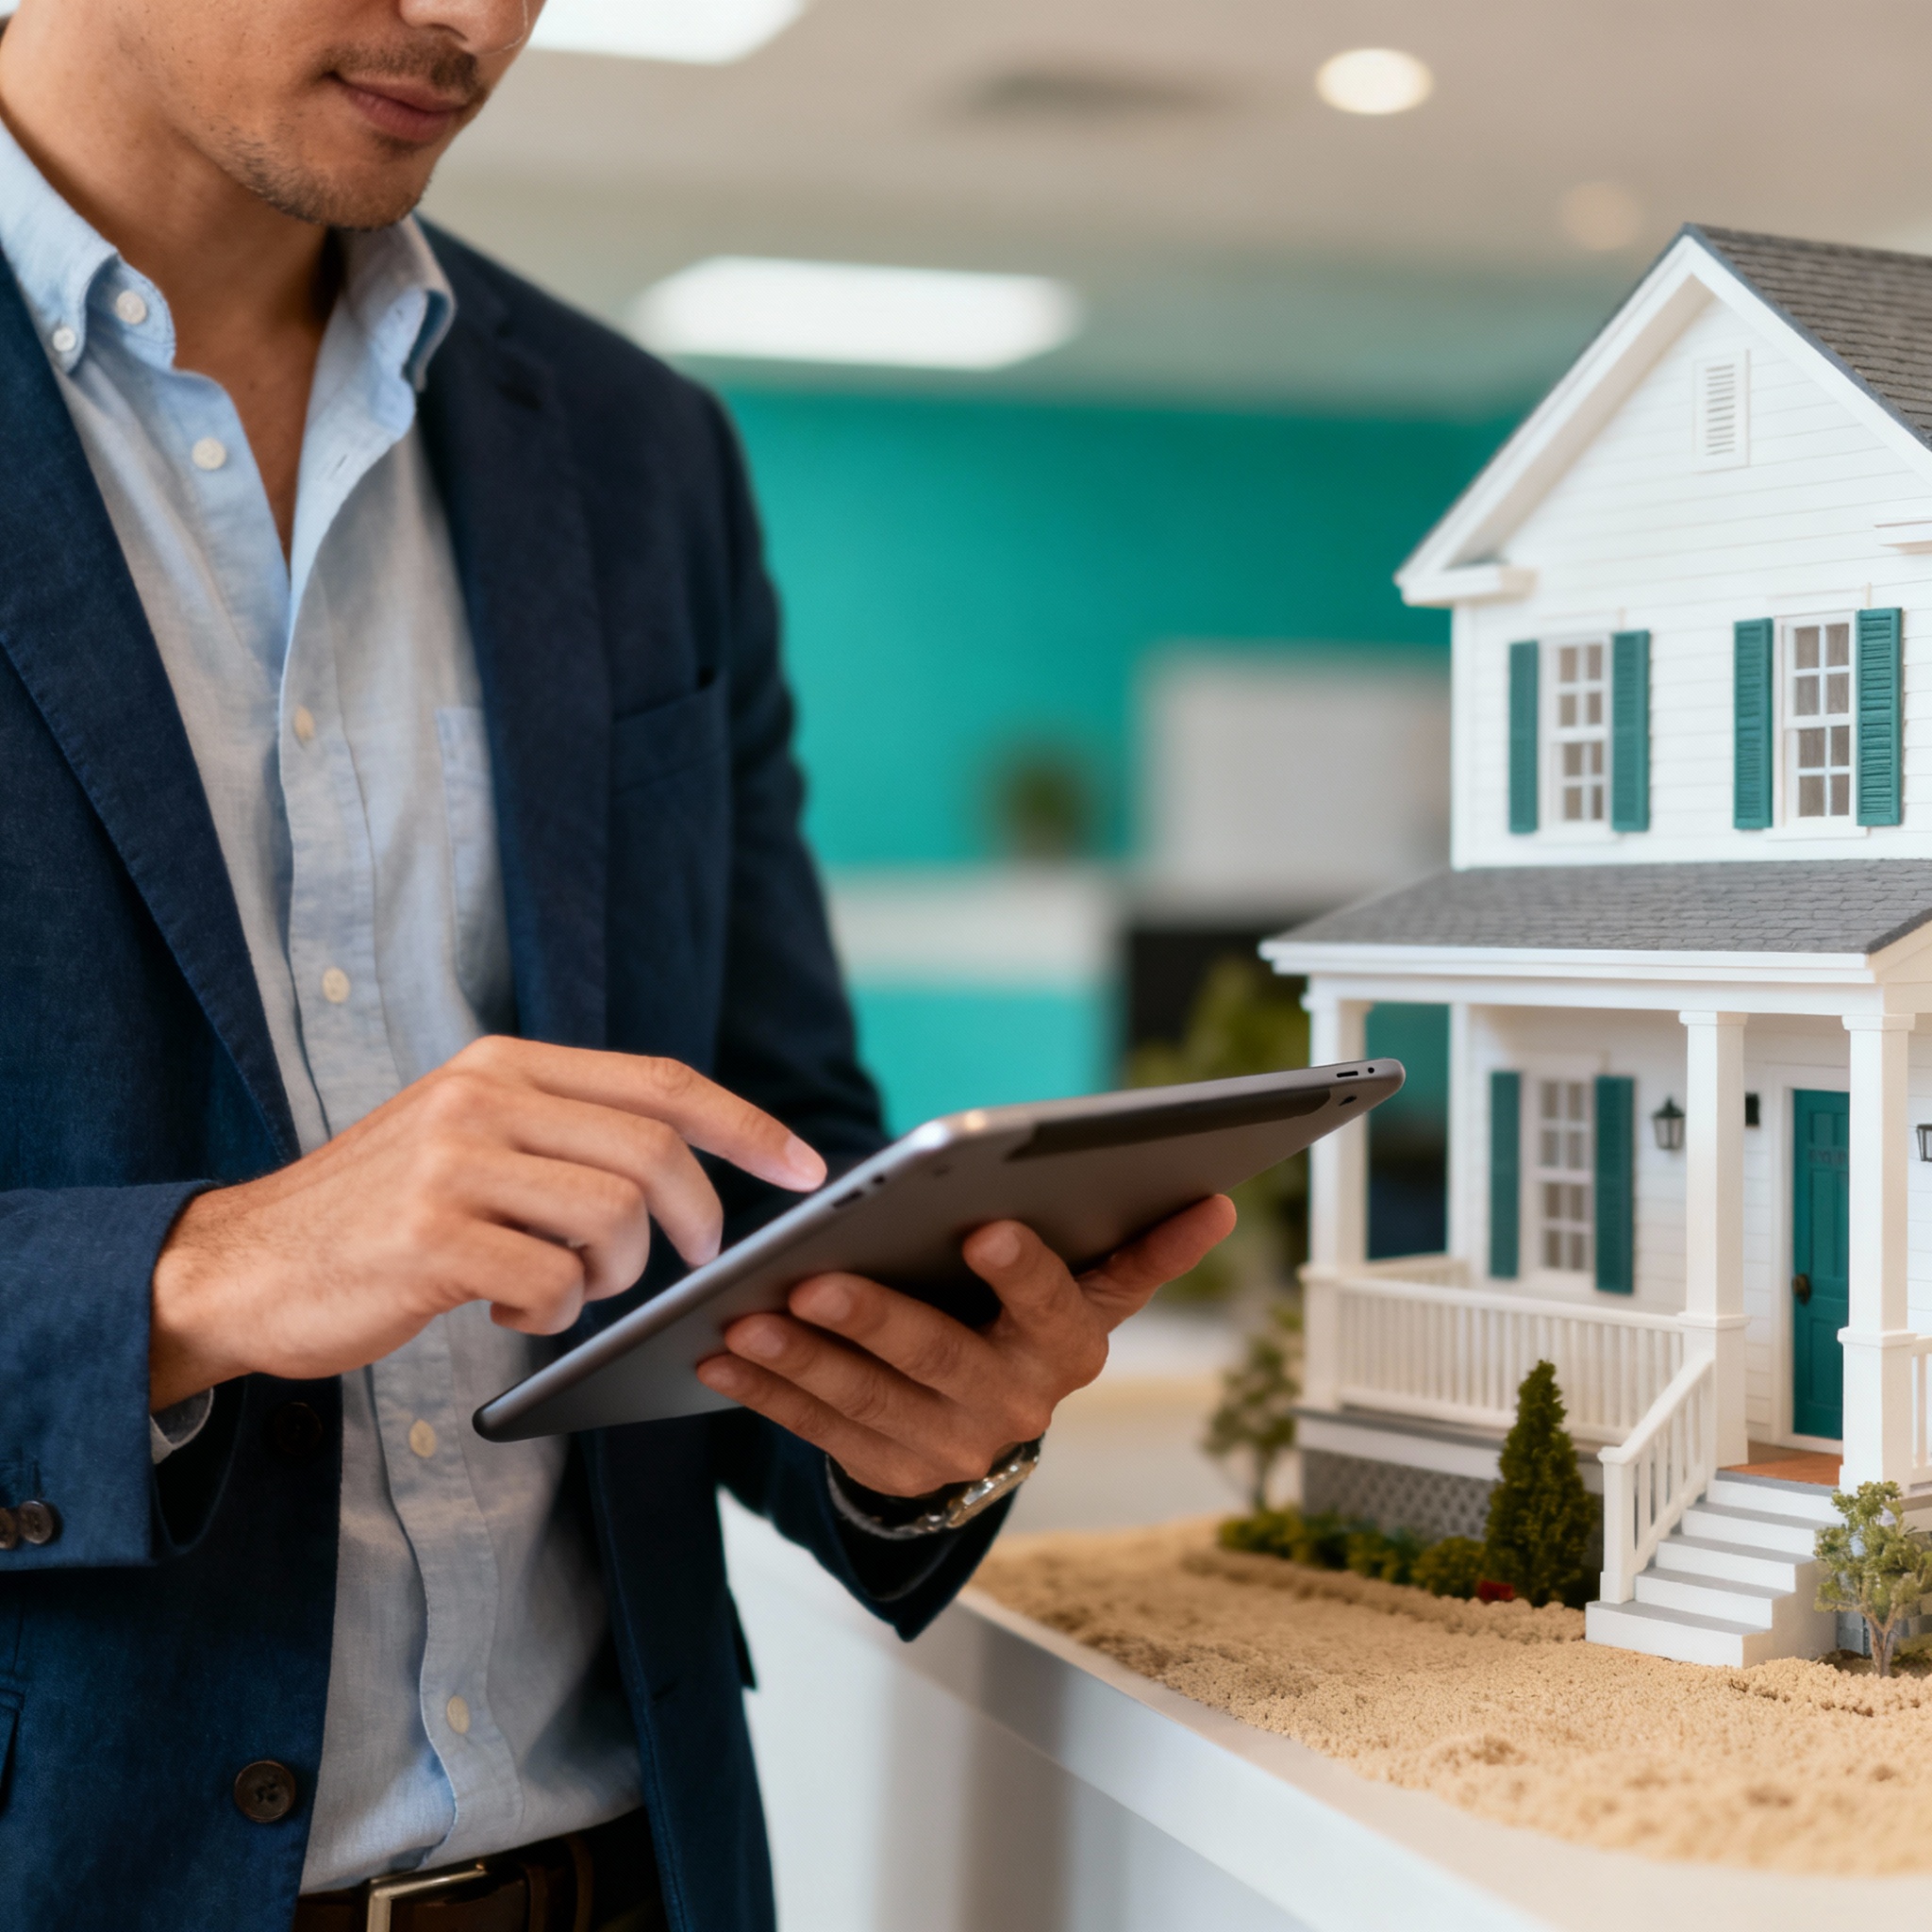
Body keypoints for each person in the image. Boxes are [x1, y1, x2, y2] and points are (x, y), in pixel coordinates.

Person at [0, 1, 1235, 1927]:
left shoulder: (641, 452)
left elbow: (770, 1151)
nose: (468, 18)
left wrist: (910, 1414)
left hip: (626, 1876)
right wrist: (194, 1278)